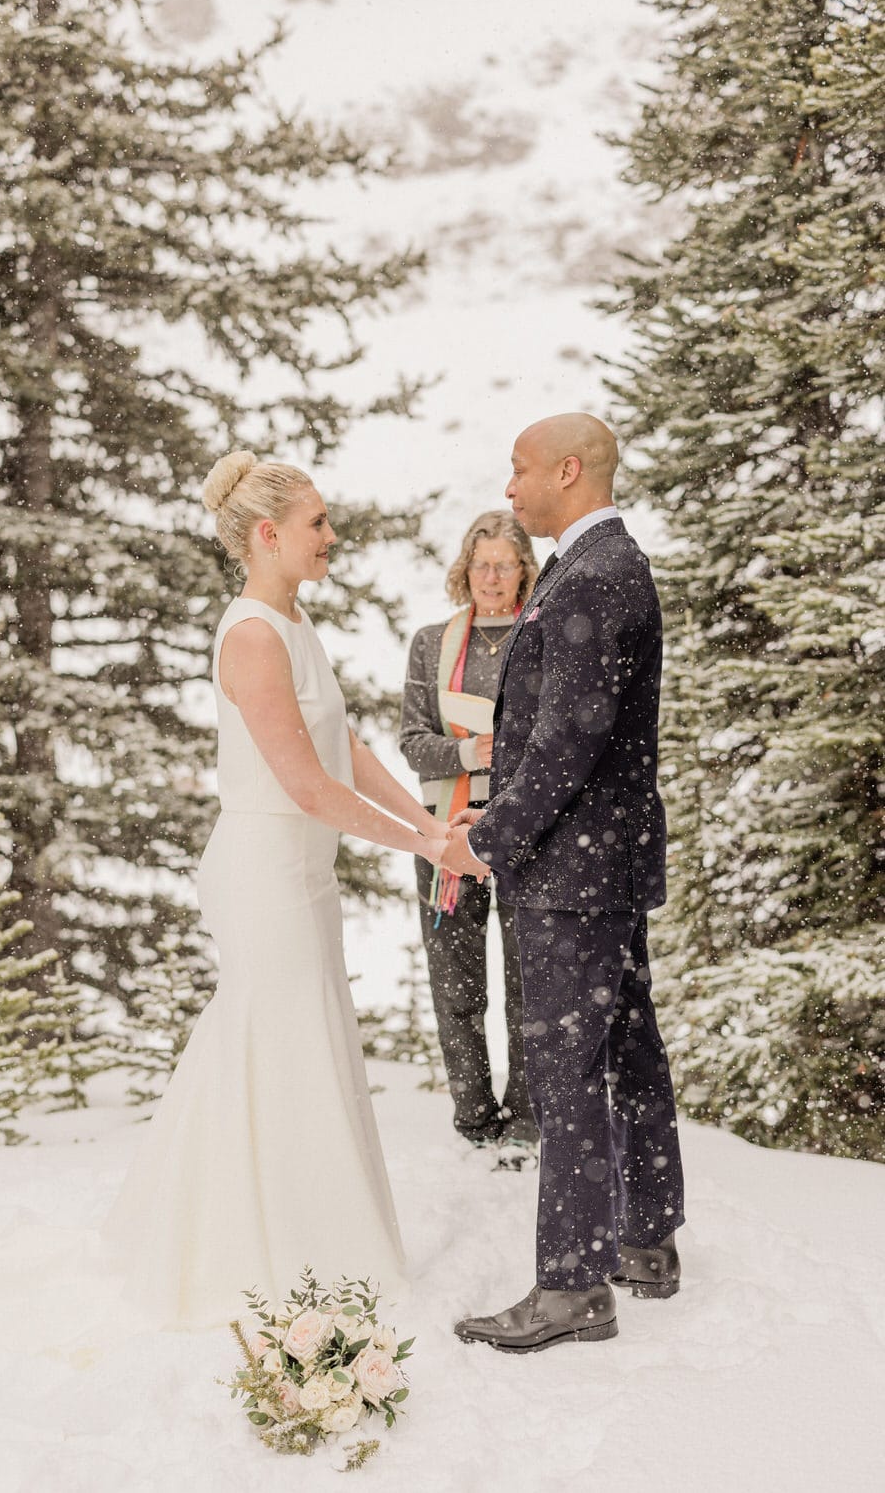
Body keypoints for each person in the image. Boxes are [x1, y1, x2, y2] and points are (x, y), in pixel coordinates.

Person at [103, 451, 449, 1327]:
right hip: (265, 874)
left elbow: (350, 751)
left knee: (298, 1049)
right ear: (267, 535)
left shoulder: (293, 623)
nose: (332, 537)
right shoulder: (252, 633)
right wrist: (425, 847)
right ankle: (256, 1254)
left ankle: (301, 1240)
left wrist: (434, 829)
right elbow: (307, 787)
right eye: (317, 524)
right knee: (274, 1051)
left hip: (305, 872)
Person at [442, 413, 686, 1352]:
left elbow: (568, 741)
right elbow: (565, 736)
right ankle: (646, 1239)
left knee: (566, 1069)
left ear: (569, 471)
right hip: (603, 860)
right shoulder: (603, 569)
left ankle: (574, 1285)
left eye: (520, 470)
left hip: (573, 874)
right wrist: (492, 816)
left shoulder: (596, 575)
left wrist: (491, 838)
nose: (510, 489)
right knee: (627, 1046)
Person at [399, 511, 539, 1150]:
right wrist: (468, 754)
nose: (490, 576)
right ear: (466, 568)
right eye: (480, 564)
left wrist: (508, 755)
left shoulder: (540, 636)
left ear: (523, 571)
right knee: (457, 986)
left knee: (527, 983)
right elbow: (411, 740)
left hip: (525, 830)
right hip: (446, 833)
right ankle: (475, 1119)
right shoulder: (432, 642)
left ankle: (527, 1119)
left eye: (503, 565)